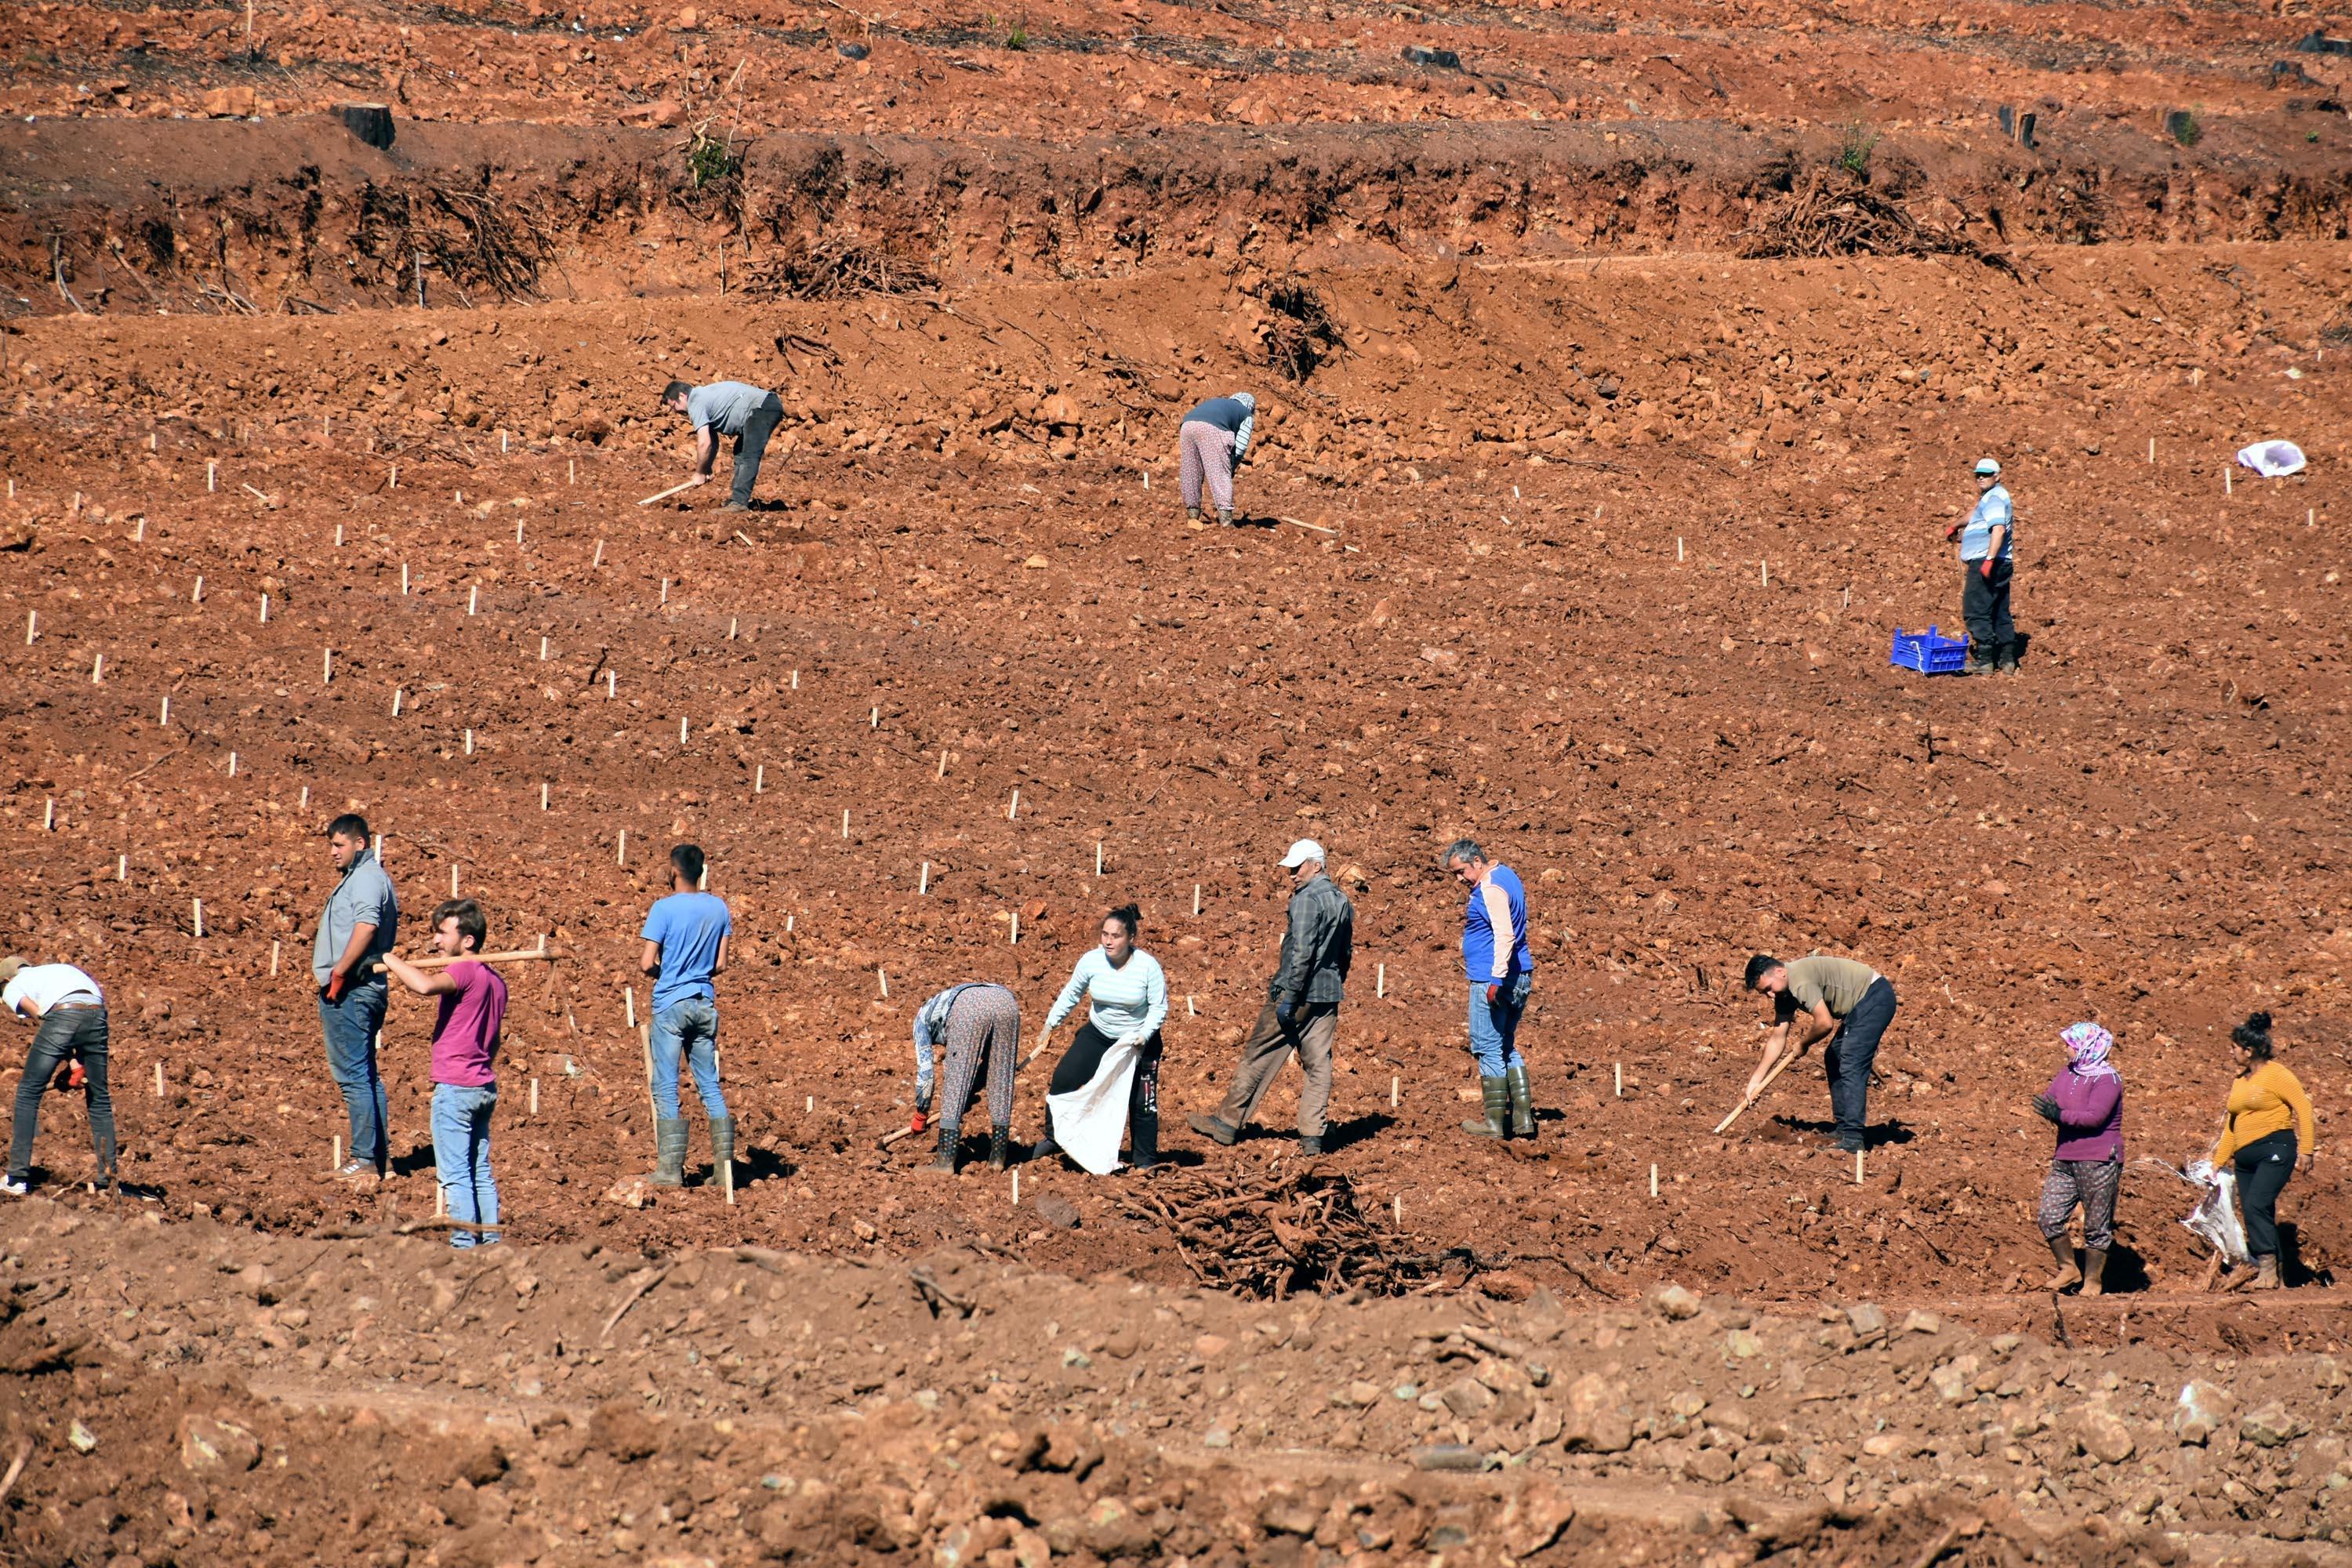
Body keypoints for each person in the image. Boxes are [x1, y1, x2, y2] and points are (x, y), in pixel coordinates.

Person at [1189, 840, 1353, 1156]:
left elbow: (1302, 953)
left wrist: (1290, 996)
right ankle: (1312, 1137)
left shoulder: (1306, 900)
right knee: (1319, 1065)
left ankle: (1226, 1123)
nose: (1291, 874)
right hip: (1327, 995)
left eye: (1297, 867)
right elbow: (1345, 951)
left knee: (1259, 1053)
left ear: (1316, 865)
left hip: (1297, 992)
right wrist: (1334, 982)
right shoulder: (1342, 899)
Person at [382, 900, 507, 1250]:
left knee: (455, 1176)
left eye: (442, 933)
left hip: (456, 1087)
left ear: (467, 940)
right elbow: (494, 1039)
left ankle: (464, 1247)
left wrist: (390, 959)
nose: (436, 941)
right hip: (483, 1085)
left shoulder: (466, 970)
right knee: (479, 1171)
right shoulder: (496, 981)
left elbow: (423, 986)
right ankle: (493, 1244)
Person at [1033, 905, 1168, 1174]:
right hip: (1100, 1034)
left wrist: (1144, 1035)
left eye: (1115, 936)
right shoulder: (1092, 961)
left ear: (1131, 938)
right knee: (1064, 1079)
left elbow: (1159, 1007)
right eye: (1105, 934)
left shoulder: (1147, 967)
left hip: (1138, 1041)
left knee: (1142, 1102)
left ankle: (1145, 1161)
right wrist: (1051, 1024)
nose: (1108, 941)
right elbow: (1072, 994)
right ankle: (1055, 1136)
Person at [641, 844, 734, 1188]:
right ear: (701, 872)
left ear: (674, 871)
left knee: (666, 1084)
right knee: (709, 1083)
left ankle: (669, 1170)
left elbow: (647, 962)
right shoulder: (719, 908)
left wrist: (667, 975)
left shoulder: (663, 909)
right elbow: (721, 964)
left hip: (671, 1005)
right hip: (705, 1002)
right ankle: (724, 1170)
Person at [1742, 953, 1898, 1154]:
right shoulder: (1784, 992)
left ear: (1780, 972)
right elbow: (1778, 1037)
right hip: (1860, 1005)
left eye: (1768, 989)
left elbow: (1824, 1023)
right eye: (1764, 993)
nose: (1770, 996)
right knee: (1834, 1057)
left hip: (1874, 997)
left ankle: (1853, 1137)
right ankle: (1843, 1129)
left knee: (1850, 1060)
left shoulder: (1799, 981)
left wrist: (1803, 1044)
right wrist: (1756, 1080)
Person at [314, 813, 397, 1182]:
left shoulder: (365, 879)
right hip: (363, 989)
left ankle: (364, 1160)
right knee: (366, 1076)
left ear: (360, 843)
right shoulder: (367, 878)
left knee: (354, 1078)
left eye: (339, 844)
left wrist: (340, 971)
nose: (332, 852)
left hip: (352, 990)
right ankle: (379, 1159)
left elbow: (366, 925)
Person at [2210, 1011, 2317, 1290]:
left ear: (2249, 1050)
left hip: (2275, 1148)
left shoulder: (2277, 1074)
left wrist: (2306, 1150)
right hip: (2245, 1156)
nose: (2230, 1051)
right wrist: (2218, 1161)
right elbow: (2233, 1124)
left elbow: (2303, 1109)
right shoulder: (2240, 1080)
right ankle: (2276, 1275)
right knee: (2255, 1209)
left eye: (2234, 1047)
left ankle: (2267, 1268)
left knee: (2257, 1202)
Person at [1443, 839, 1536, 1141]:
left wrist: (1495, 979)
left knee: (1487, 1046)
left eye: (1461, 871)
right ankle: (1522, 1118)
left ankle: (1494, 1124)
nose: (1459, 879)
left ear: (1478, 862)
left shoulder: (1490, 888)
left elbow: (1505, 934)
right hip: (1520, 972)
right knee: (1506, 1044)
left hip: (1493, 978)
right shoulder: (1508, 874)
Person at [1, 955, 113, 1196]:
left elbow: (43, 1017)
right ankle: (109, 1181)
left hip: (63, 1015)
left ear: (7, 979)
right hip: (97, 1012)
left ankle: (16, 1178)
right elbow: (77, 1013)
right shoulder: (57, 970)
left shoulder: (12, 985)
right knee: (99, 1099)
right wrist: (75, 1064)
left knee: (29, 1092)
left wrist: (64, 1056)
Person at [2033, 1022, 2123, 1296]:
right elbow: (2051, 1098)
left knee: (2096, 1222)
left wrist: (2059, 1115)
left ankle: (2093, 1281)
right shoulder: (2068, 1072)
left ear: (2086, 1046)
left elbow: (2094, 1117)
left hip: (2097, 1158)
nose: (2066, 1049)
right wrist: (2049, 1108)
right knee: (2049, 1215)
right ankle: (2069, 1268)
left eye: (2071, 1045)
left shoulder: (2107, 1079)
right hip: (2066, 1156)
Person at [911, 980, 1023, 1175]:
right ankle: (998, 1158)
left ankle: (944, 1162)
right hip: (1007, 1002)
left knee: (956, 1078)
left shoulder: (920, 1022)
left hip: (968, 1009)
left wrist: (921, 1113)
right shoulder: (943, 1002)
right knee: (1002, 1073)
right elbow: (988, 1067)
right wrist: (970, 1092)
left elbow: (926, 1073)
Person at [659, 377, 785, 512]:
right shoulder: (702, 399)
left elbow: (704, 443)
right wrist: (706, 468)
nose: (676, 411)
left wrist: (699, 473)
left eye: (674, 406)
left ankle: (739, 503)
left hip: (762, 408)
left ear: (682, 396)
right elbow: (712, 443)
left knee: (748, 454)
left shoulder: (695, 401)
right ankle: (736, 500)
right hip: (763, 407)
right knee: (740, 451)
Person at [1944, 456, 2016, 675]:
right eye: (1978, 475)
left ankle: (1985, 660)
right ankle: (2007, 659)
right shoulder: (1990, 498)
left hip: (1987, 561)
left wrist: (1989, 560)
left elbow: (1999, 530)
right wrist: (1955, 525)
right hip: (2000, 562)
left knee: (1975, 609)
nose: (1981, 478)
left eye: (1986, 474)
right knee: (1998, 610)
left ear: (1998, 476)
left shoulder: (1994, 498)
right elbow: (1975, 515)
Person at [1178, 391, 1257, 527]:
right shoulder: (1246, 414)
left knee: (1191, 471)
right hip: (1212, 429)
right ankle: (1226, 520)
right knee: (1219, 474)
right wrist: (1232, 465)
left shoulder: (1221, 403)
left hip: (1187, 425)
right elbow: (1242, 445)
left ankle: (1192, 516)